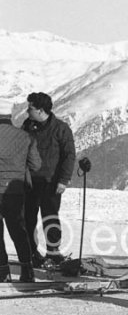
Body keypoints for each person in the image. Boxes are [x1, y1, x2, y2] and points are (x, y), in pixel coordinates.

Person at [23, 92, 75, 267]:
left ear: (40, 110)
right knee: (28, 217)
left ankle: (53, 251)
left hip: (51, 182)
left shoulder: (61, 128)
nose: (27, 111)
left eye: (30, 108)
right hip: (30, 182)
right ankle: (31, 252)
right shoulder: (27, 126)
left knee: (50, 216)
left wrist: (63, 180)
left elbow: (69, 156)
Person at [0, 114, 41, 282]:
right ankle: (27, 271)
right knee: (18, 231)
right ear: (10, 116)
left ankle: (3, 273)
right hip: (15, 191)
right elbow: (36, 165)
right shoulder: (26, 137)